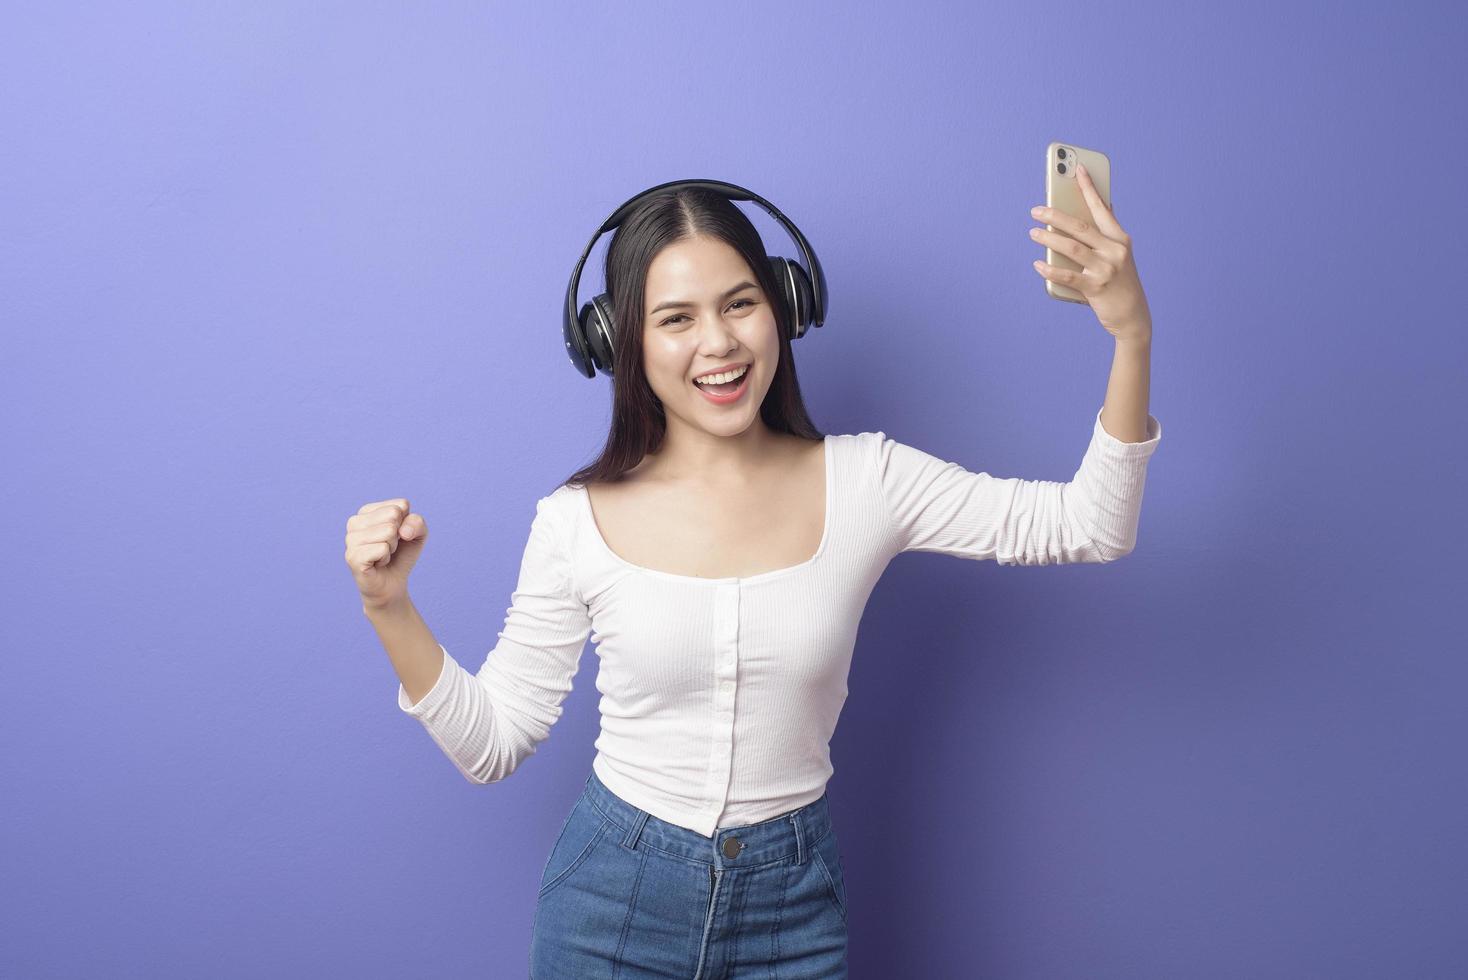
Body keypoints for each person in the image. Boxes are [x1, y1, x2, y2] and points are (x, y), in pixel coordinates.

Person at [344, 169, 1161, 978]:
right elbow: (491, 743)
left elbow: (1092, 526)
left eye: (740, 303)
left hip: (792, 915)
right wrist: (390, 607)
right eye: (676, 318)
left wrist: (1131, 337)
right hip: (611, 905)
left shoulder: (866, 481)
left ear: (786, 306)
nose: (719, 342)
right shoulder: (573, 520)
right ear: (618, 340)